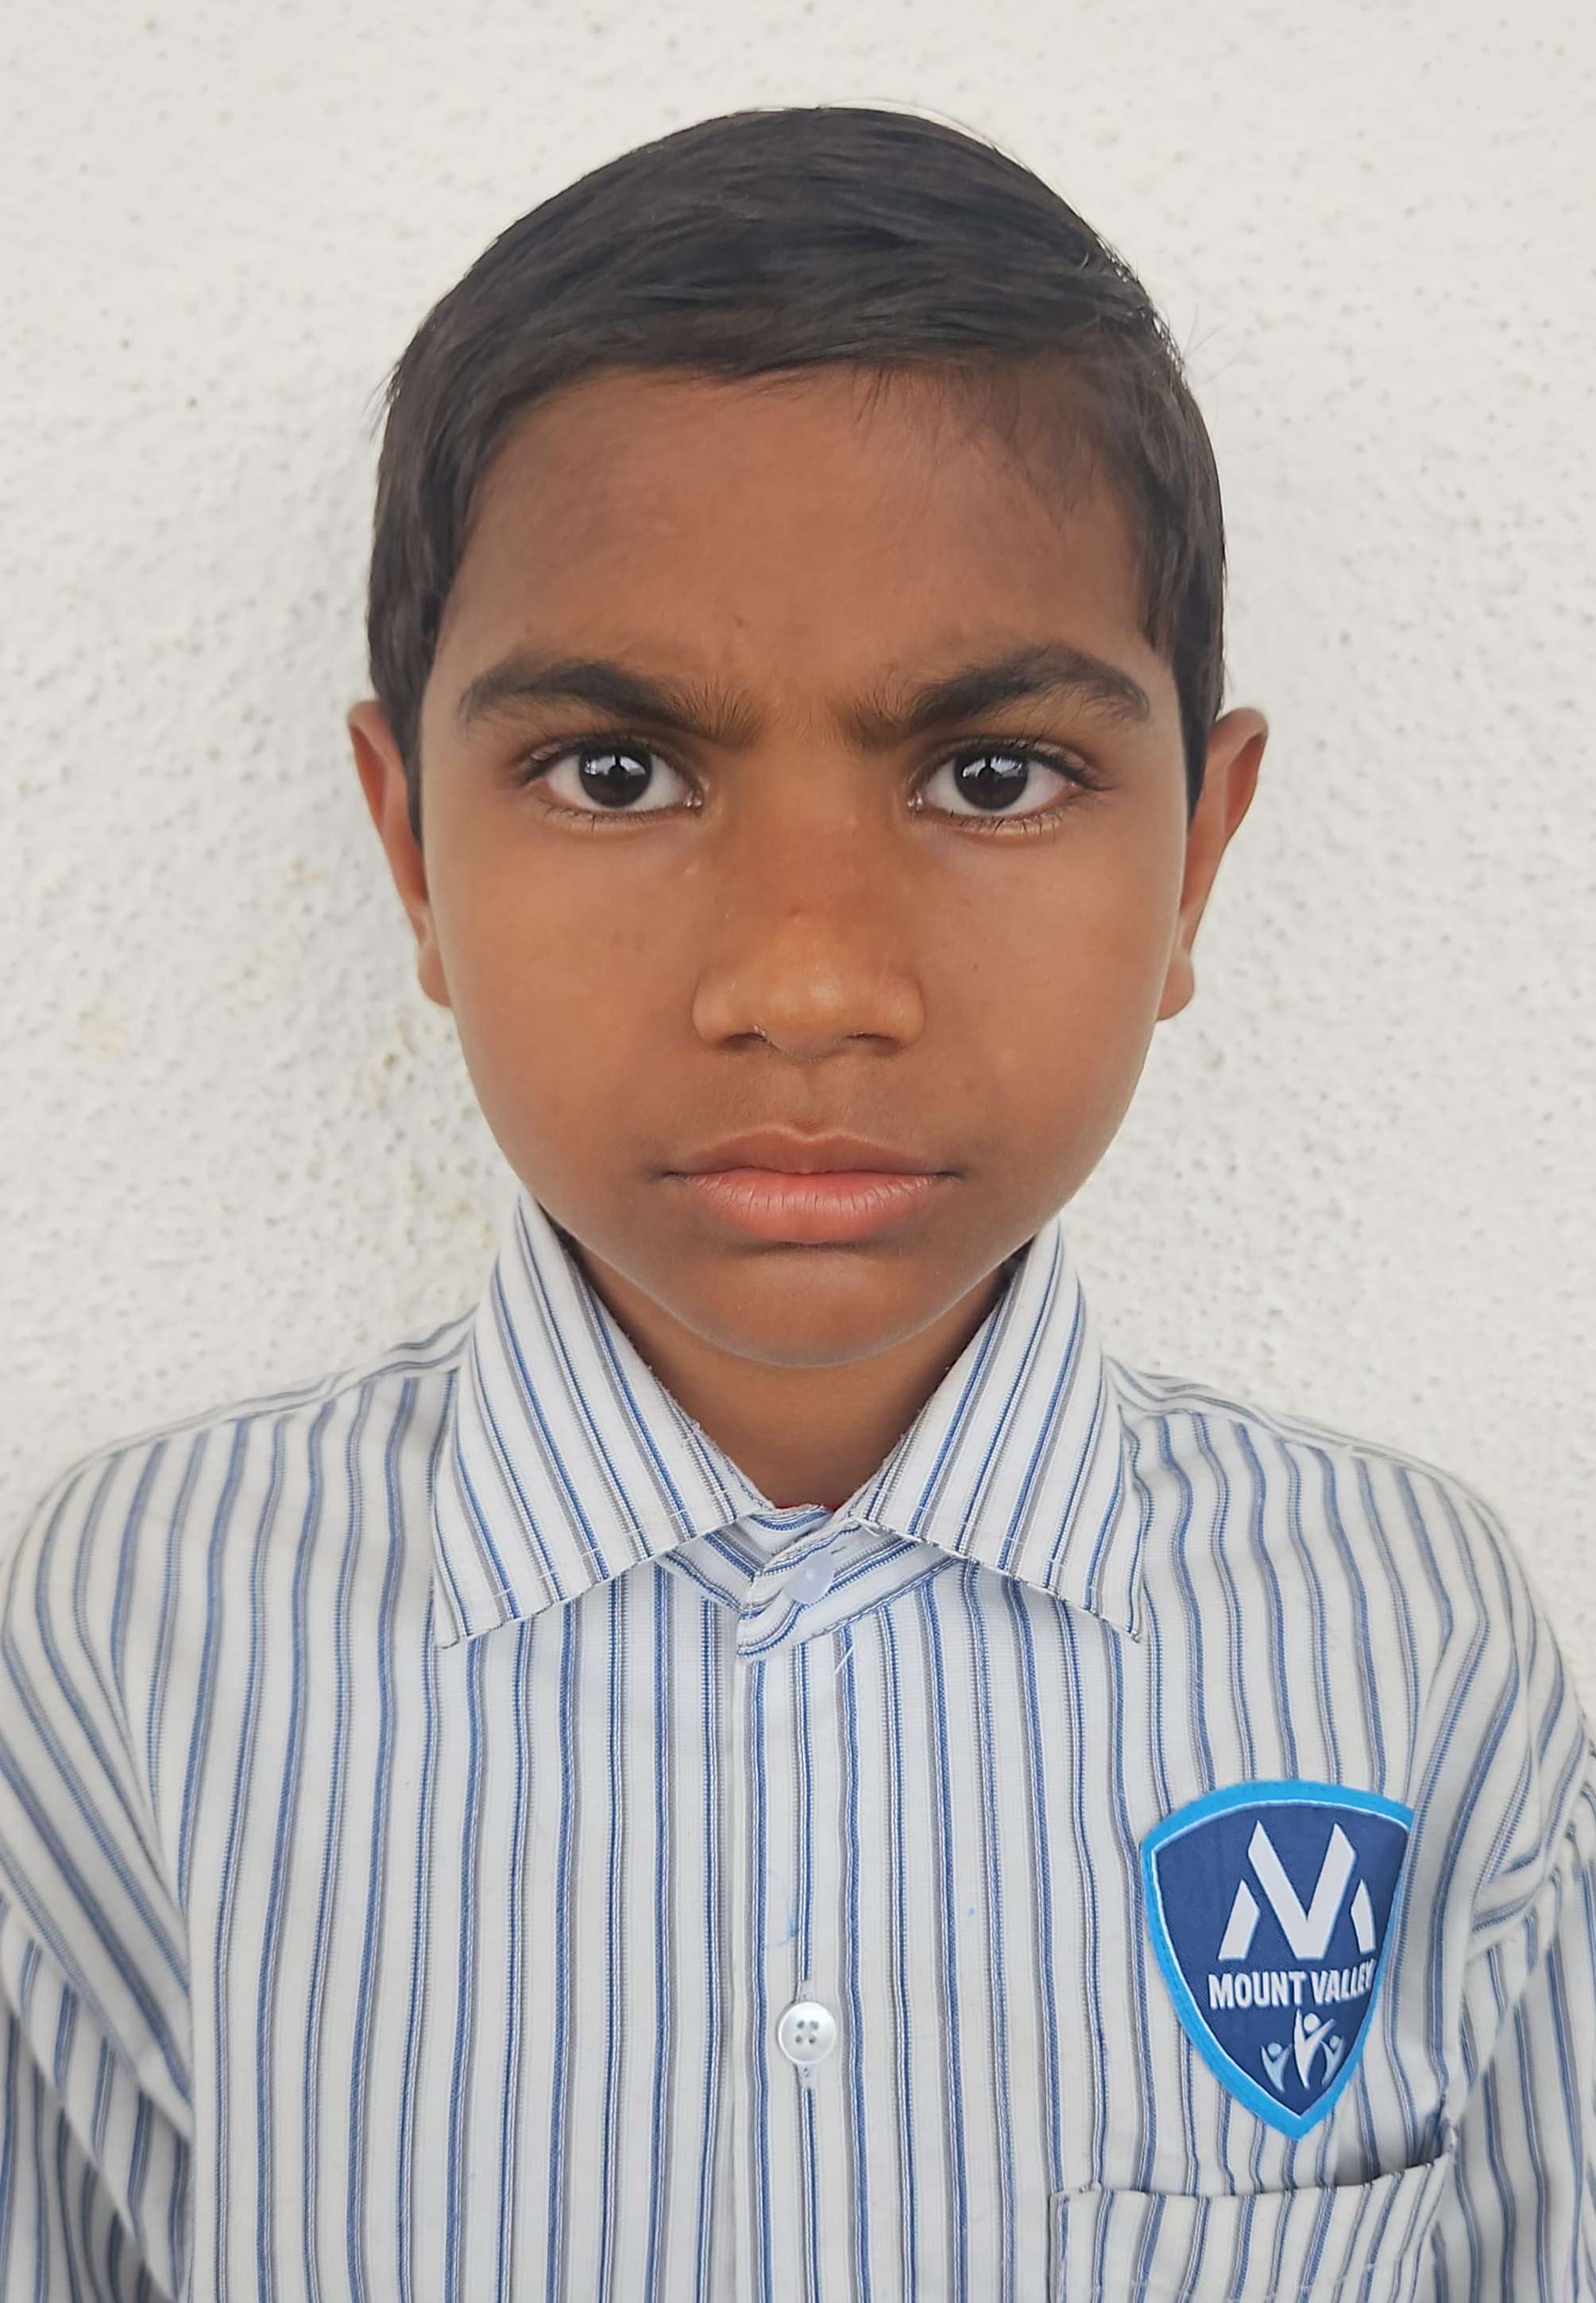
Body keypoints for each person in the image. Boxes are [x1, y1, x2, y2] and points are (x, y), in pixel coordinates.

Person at [1, 104, 1589, 2303]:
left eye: (992, 774)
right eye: (617, 770)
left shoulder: (1405, 1634)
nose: (810, 983)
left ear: (1198, 856)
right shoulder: (137, 1635)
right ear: (411, 847)